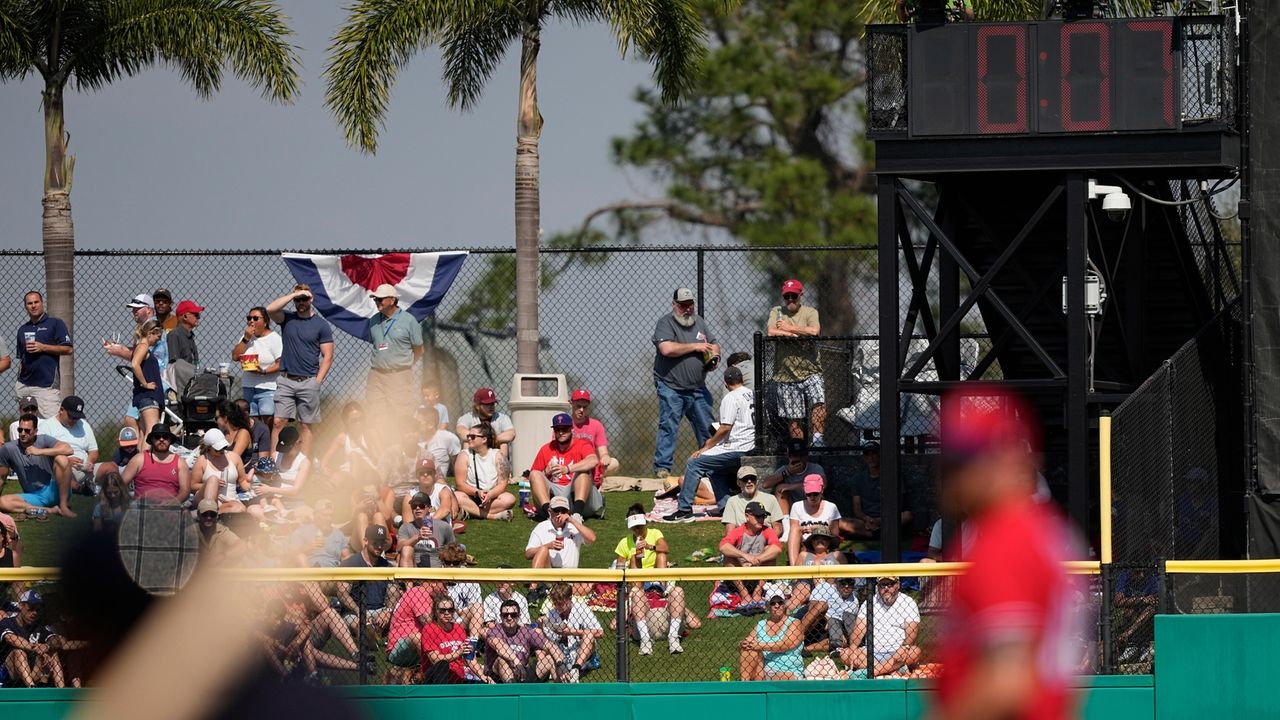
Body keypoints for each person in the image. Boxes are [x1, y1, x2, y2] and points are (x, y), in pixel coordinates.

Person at [933, 386, 1080, 720]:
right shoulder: (1039, 529)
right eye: (951, 460)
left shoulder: (1006, 541)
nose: (953, 474)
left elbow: (1008, 682)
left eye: (965, 459)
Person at [663, 365, 753, 522]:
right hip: (751, 445)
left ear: (725, 383)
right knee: (715, 471)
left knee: (694, 462)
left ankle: (684, 510)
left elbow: (725, 427)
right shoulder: (751, 394)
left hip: (737, 447)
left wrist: (708, 445)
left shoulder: (731, 397)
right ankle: (725, 508)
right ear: (743, 380)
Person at [651, 287, 720, 478]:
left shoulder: (699, 322)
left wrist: (715, 356)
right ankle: (663, 468)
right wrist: (695, 347)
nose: (687, 309)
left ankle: (710, 466)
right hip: (671, 385)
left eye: (690, 305)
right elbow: (666, 349)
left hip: (697, 388)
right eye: (683, 305)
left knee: (707, 426)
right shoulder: (665, 323)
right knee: (669, 425)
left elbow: (714, 343)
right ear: (674, 304)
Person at [614, 504, 696, 655]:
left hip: (657, 578)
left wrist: (649, 546)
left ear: (645, 524)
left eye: (640, 526)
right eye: (634, 528)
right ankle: (645, 640)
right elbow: (619, 567)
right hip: (638, 582)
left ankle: (673, 638)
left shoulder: (655, 533)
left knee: (662, 556)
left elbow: (665, 548)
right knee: (633, 559)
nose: (638, 530)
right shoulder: (624, 542)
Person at [267, 283, 335, 455]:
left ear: (311, 299)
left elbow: (328, 357)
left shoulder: (321, 325)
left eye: (304, 298)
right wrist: (293, 295)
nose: (301, 302)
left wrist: (317, 382)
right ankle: (273, 464)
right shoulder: (287, 318)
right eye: (298, 299)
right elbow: (270, 309)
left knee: (306, 424)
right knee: (278, 422)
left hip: (308, 381)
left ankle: (305, 463)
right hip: (286, 380)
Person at [766, 279, 826, 445]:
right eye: (787, 296)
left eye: (794, 296)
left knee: (819, 403)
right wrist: (794, 335)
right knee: (794, 418)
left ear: (801, 295)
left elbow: (814, 331)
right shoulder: (777, 311)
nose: (790, 299)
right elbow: (771, 331)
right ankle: (798, 449)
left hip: (810, 370)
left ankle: (818, 442)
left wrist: (787, 328)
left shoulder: (810, 312)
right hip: (786, 375)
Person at [364, 284, 424, 445]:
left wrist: (407, 365)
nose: (377, 301)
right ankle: (381, 449)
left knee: (400, 414)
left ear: (392, 300)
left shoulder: (409, 321)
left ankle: (402, 450)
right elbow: (377, 344)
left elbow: (419, 348)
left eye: (380, 299)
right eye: (376, 299)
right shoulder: (374, 321)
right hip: (376, 374)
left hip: (399, 374)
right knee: (375, 414)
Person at [526, 413, 601, 520]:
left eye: (564, 429)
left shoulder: (582, 444)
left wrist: (568, 469)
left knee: (583, 473)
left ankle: (577, 516)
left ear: (571, 429)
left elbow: (593, 460)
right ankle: (550, 514)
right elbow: (533, 479)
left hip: (578, 498)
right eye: (557, 429)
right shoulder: (546, 449)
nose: (561, 432)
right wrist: (546, 472)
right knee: (534, 473)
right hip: (554, 498)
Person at [843, 576, 922, 677]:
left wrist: (904, 647)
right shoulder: (870, 601)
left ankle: (871, 672)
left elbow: (912, 631)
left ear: (898, 585)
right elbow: (859, 629)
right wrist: (853, 648)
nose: (886, 588)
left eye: (890, 584)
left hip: (897, 652)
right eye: (883, 585)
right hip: (871, 654)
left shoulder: (908, 602)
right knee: (845, 653)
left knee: (915, 651)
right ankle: (894, 669)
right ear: (877, 586)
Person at [0, 413, 75, 518]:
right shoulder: (8, 449)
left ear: (35, 431)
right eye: (20, 430)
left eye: (27, 430)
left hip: (54, 490)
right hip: (34, 497)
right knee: (2, 502)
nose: (22, 433)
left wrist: (39, 451)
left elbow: (68, 449)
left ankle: (63, 506)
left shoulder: (44, 440)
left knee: (61, 459)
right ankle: (50, 510)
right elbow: (1, 477)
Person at [13, 291, 73, 418]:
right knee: (28, 426)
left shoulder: (55, 323)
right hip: (24, 386)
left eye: (36, 302)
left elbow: (68, 349)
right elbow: (21, 359)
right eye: (30, 303)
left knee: (51, 427)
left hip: (46, 387)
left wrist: (43, 347)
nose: (33, 306)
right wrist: (18, 381)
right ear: (25, 307)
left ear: (42, 303)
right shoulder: (22, 329)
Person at [485, 598, 567, 683]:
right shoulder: (494, 631)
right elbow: (500, 648)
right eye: (506, 615)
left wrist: (561, 664)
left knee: (550, 659)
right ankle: (512, 692)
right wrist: (517, 662)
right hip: (498, 678)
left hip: (522, 674)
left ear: (519, 616)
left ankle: (562, 692)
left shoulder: (525, 631)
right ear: (501, 616)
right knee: (501, 660)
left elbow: (550, 645)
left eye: (513, 615)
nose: (509, 618)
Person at [337, 525, 399, 636]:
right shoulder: (350, 564)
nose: (379, 546)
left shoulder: (387, 566)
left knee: (403, 620)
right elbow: (342, 594)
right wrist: (360, 611)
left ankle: (377, 637)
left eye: (382, 543)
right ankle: (371, 641)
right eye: (375, 542)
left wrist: (388, 611)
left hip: (380, 610)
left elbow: (393, 592)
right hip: (355, 612)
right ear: (366, 541)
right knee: (360, 625)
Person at [719, 501, 783, 605]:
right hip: (739, 572)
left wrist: (756, 559)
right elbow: (723, 546)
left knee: (770, 551)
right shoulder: (738, 531)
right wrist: (745, 556)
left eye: (763, 516)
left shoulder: (767, 530)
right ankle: (744, 593)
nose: (761, 519)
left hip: (759, 571)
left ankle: (758, 591)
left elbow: (777, 548)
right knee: (728, 557)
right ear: (747, 516)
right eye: (758, 516)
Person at [420, 594, 492, 684]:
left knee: (482, 682)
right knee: (443, 664)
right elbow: (435, 659)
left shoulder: (458, 629)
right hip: (435, 679)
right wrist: (459, 652)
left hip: (457, 679)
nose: (447, 613)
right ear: (435, 611)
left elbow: (470, 658)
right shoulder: (429, 629)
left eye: (450, 610)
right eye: (443, 610)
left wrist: (483, 677)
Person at [384, 578, 445, 683]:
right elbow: (428, 623)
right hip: (398, 647)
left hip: (417, 648)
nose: (446, 589)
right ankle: (429, 671)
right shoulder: (419, 592)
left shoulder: (429, 597)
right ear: (434, 583)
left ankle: (429, 671)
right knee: (417, 637)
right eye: (444, 585)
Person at [540, 582, 603, 684]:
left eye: (561, 603)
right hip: (560, 651)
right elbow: (548, 640)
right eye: (555, 603)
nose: (557, 606)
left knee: (589, 635)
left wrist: (572, 632)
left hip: (579, 648)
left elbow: (600, 632)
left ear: (569, 599)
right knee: (542, 641)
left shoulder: (581, 608)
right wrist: (541, 626)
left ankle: (575, 669)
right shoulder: (552, 612)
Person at [849, 440, 913, 539]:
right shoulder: (857, 479)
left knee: (907, 516)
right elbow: (857, 508)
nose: (871, 458)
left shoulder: (893, 475)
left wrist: (880, 520)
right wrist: (866, 518)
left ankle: (875, 532)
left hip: (888, 518)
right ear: (864, 458)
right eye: (867, 455)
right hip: (867, 520)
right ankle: (878, 533)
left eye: (874, 454)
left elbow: (900, 502)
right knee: (842, 522)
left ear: (880, 455)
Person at [0, 591, 65, 688]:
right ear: (21, 606)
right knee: (19, 653)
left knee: (52, 653)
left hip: (33, 671)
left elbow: (56, 640)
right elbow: (11, 639)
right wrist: (36, 648)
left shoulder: (38, 627)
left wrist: (47, 647)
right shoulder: (7, 623)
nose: (35, 613)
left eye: (38, 609)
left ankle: (62, 691)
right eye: (31, 608)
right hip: (10, 674)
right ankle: (32, 689)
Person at [454, 422, 516, 521]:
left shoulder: (498, 455)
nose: (469, 438)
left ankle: (471, 512)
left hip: (491, 497)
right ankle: (492, 516)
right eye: (468, 436)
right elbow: (460, 484)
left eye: (473, 436)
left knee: (509, 499)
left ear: (484, 439)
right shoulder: (464, 455)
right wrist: (477, 492)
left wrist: (490, 494)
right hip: (471, 496)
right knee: (456, 497)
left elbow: (502, 484)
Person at [232, 305, 283, 427]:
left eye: (255, 318)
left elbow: (281, 363)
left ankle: (269, 445)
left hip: (268, 388)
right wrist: (245, 339)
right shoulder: (246, 338)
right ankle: (255, 445)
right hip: (249, 386)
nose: (251, 321)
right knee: (251, 421)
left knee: (268, 420)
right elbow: (235, 357)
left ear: (265, 321)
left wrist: (264, 371)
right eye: (249, 318)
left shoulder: (274, 338)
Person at [739, 594, 806, 681]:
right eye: (773, 603)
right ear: (768, 607)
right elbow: (748, 641)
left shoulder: (794, 623)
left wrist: (760, 645)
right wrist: (743, 643)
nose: (777, 605)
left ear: (784, 605)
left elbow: (787, 645)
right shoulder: (761, 624)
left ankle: (758, 685)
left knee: (777, 679)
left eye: (780, 602)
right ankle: (744, 685)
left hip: (788, 670)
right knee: (748, 648)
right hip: (764, 669)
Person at [193, 428, 257, 518]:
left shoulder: (234, 457)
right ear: (209, 447)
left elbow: (242, 480)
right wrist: (211, 485)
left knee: (239, 508)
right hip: (205, 499)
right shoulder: (202, 460)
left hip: (228, 501)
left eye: (224, 447)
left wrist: (253, 488)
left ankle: (213, 515)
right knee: (213, 480)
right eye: (218, 449)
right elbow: (193, 485)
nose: (222, 451)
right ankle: (209, 511)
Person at [43, 395, 99, 496]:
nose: (74, 420)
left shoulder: (83, 425)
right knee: (67, 473)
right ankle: (82, 490)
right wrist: (66, 461)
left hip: (85, 467)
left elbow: (94, 451)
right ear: (61, 410)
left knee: (110, 467)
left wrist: (88, 463)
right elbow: (43, 455)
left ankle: (118, 499)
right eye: (71, 416)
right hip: (62, 468)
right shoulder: (47, 426)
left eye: (77, 417)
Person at [120, 422, 190, 501]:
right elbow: (120, 485)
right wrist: (131, 501)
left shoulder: (180, 463)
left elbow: (185, 491)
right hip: (142, 509)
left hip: (169, 509)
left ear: (170, 439)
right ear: (152, 440)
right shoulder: (139, 459)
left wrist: (173, 503)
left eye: (165, 437)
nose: (161, 439)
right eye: (157, 437)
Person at [525, 496, 596, 569]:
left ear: (568, 512)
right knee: (543, 550)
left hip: (570, 574)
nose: (559, 514)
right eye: (556, 510)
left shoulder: (574, 527)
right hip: (549, 571)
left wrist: (572, 520)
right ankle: (534, 580)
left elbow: (592, 538)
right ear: (549, 511)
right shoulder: (542, 527)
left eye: (563, 511)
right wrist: (548, 546)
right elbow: (528, 554)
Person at [761, 438, 826, 515]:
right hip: (792, 506)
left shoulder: (815, 468)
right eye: (794, 456)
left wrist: (792, 486)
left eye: (801, 455)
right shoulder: (786, 469)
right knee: (780, 488)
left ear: (806, 455)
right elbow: (765, 484)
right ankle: (786, 522)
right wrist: (788, 472)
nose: (798, 458)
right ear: (789, 457)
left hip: (812, 503)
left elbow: (823, 484)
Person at [787, 474, 841, 565]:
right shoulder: (797, 506)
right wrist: (801, 529)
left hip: (824, 544)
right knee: (794, 529)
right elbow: (793, 529)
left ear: (822, 490)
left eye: (816, 493)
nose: (812, 497)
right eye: (809, 494)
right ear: (804, 492)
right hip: (804, 545)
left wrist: (817, 529)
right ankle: (794, 569)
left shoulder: (831, 507)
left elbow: (835, 534)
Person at [568, 388, 619, 481]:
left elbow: (603, 451)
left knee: (613, 463)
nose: (581, 410)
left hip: (590, 463)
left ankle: (597, 477)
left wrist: (605, 456)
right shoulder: (564, 424)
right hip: (570, 465)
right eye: (578, 406)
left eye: (585, 407)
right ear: (570, 404)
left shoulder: (596, 425)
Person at [128, 319, 165, 443]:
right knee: (151, 431)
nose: (158, 340)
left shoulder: (141, 347)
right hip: (149, 396)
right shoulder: (143, 347)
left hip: (144, 397)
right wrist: (145, 383)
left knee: (144, 433)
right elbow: (134, 364)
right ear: (150, 334)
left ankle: (141, 459)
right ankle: (146, 461)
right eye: (157, 336)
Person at [397, 492, 455, 568]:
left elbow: (454, 550)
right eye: (414, 506)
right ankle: (408, 580)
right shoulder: (406, 527)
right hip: (414, 570)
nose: (417, 508)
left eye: (421, 506)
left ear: (430, 509)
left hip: (437, 571)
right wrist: (417, 537)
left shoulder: (443, 527)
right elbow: (399, 547)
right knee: (406, 549)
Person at [455, 388, 516, 459]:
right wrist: (481, 440)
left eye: (492, 404)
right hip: (476, 455)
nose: (491, 407)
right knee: (467, 442)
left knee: (503, 444)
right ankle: (468, 468)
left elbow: (511, 433)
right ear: (477, 405)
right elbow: (461, 431)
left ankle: (501, 469)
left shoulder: (502, 417)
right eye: (487, 404)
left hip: (495, 456)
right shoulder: (468, 417)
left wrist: (489, 439)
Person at [722, 466, 784, 534]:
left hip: (766, 538)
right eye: (745, 479)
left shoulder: (771, 499)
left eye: (752, 478)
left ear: (756, 481)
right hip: (743, 540)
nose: (749, 481)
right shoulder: (732, 501)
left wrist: (768, 540)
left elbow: (778, 528)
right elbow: (730, 532)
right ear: (738, 483)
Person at [289, 498, 349, 568]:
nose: (328, 519)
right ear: (315, 515)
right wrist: (307, 547)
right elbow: (290, 555)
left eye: (331, 516)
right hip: (309, 570)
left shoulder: (338, 534)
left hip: (332, 571)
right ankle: (311, 578)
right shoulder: (300, 532)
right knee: (300, 556)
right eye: (325, 515)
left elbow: (346, 556)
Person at [417, 405, 460, 486]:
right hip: (417, 485)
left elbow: (457, 465)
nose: (415, 425)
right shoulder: (415, 441)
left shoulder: (448, 438)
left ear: (430, 425)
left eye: (418, 422)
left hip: (438, 484)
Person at [195, 499, 246, 565]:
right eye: (205, 514)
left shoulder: (221, 530)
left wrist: (222, 556)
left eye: (212, 514)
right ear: (198, 515)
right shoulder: (190, 533)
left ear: (217, 515)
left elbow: (241, 545)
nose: (209, 517)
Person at [166, 299, 203, 366]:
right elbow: (174, 366)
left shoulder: (189, 335)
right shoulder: (174, 335)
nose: (199, 317)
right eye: (196, 314)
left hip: (192, 374)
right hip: (181, 375)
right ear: (185, 316)